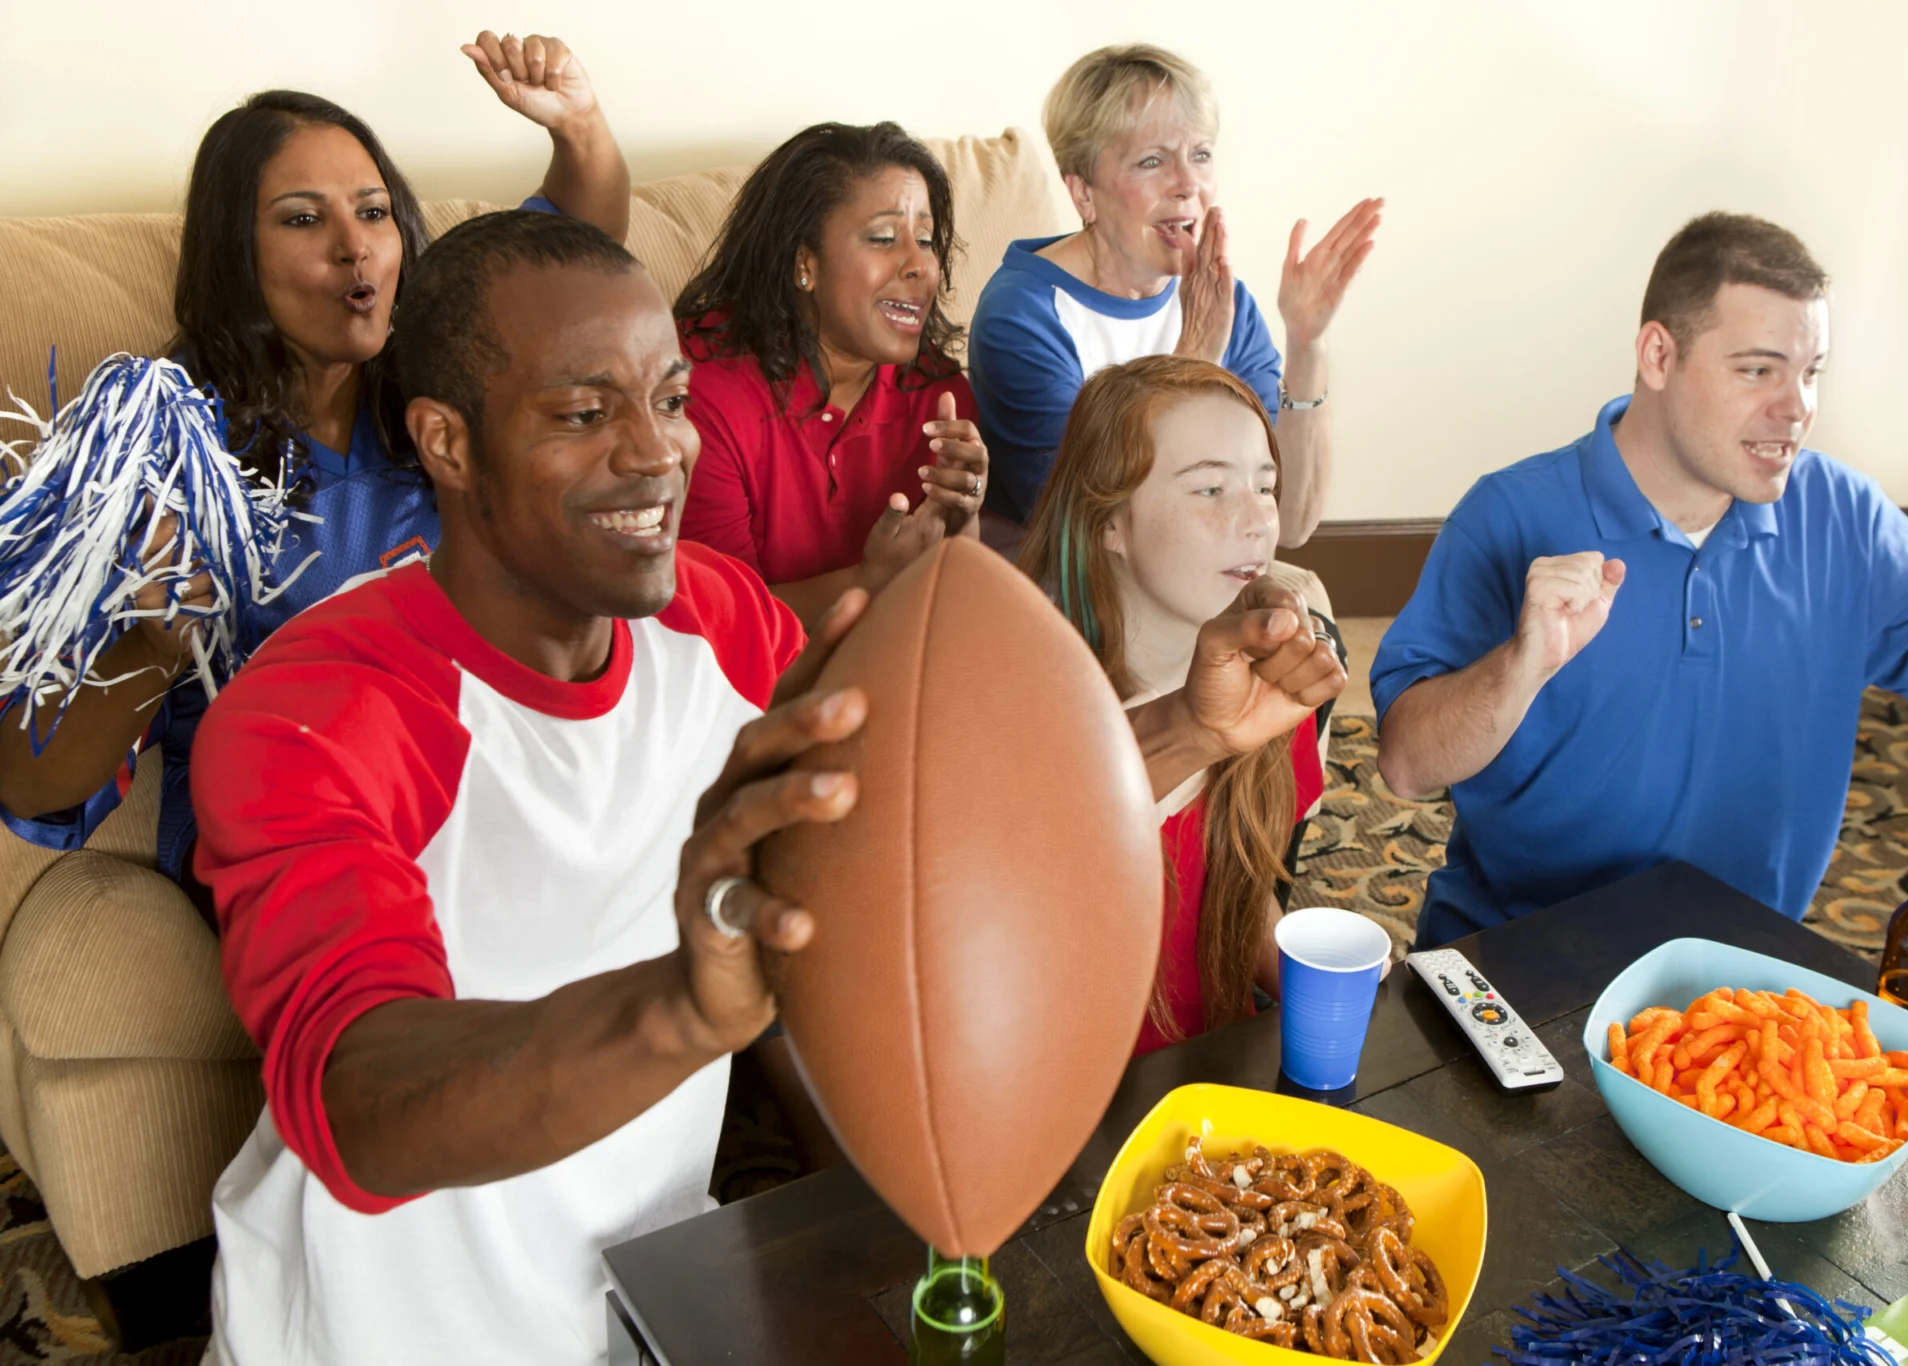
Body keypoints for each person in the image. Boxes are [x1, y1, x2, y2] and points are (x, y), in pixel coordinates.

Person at [188, 210, 1345, 1364]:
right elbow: (359, 1100)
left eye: (673, 400)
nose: (656, 454)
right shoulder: (316, 710)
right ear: (445, 442)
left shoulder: (714, 613)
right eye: (586, 414)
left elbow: (928, 839)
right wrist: (685, 1006)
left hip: (657, 1282)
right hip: (387, 1331)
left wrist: (1188, 730)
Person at [0, 33, 630, 921]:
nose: (355, 249)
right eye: (303, 219)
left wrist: (581, 129)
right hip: (294, 835)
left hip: (480, 789)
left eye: (373, 213)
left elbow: (568, 267)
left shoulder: (440, 384)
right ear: (236, 256)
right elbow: (32, 783)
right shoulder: (166, 452)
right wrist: (150, 647)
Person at [1371, 212, 1908, 948]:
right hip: (1517, 962)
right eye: (1757, 370)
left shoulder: (1841, 514)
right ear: (1659, 355)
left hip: (1734, 988)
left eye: (1809, 372)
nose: (1797, 409)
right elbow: (1405, 766)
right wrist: (1519, 668)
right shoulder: (1511, 514)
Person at [1020, 355, 1340, 1054]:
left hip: (1208, 1076)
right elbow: (1017, 902)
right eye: (1210, 489)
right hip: (1060, 1095)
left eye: (1265, 485)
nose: (1258, 517)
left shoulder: (1267, 681)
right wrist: (1194, 731)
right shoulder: (1021, 708)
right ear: (1109, 522)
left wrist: (1309, 983)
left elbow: (1236, 876)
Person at [970, 43, 1382, 546]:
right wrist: (1195, 358)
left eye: (1201, 155)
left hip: (1197, 570)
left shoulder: (1222, 301)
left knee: (1298, 622)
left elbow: (1289, 523)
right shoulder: (1022, 316)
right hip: (1070, 589)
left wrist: (1305, 343)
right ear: (1083, 194)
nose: (1188, 184)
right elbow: (1095, 530)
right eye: (1152, 161)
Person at [673, 122, 989, 627]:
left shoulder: (940, 395)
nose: (919, 266)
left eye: (926, 240)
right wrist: (869, 579)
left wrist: (964, 518)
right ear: (805, 263)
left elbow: (957, 606)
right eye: (884, 238)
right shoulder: (702, 394)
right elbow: (722, 630)